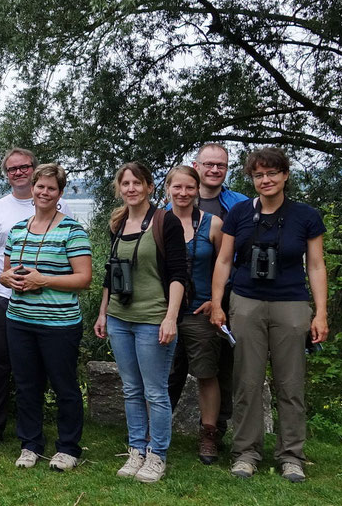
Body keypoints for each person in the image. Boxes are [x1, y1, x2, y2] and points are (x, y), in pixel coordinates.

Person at [210, 146, 329, 483]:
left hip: (291, 303)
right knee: (246, 382)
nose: (265, 180)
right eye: (259, 174)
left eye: (272, 173)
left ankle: (292, 455)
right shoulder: (239, 214)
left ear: (285, 175)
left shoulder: (306, 216)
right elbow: (223, 260)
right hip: (246, 302)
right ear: (252, 178)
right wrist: (218, 303)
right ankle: (246, 453)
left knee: (290, 383)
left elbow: (317, 265)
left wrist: (320, 313)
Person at [93, 161, 188, 483]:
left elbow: (178, 273)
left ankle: (157, 454)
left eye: (137, 183)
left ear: (149, 186)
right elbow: (111, 271)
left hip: (153, 319)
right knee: (131, 389)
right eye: (125, 183)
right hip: (120, 318)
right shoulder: (118, 222)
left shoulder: (166, 221)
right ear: (119, 188)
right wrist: (103, 311)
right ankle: (137, 450)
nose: (131, 188)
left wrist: (171, 318)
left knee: (155, 392)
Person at [0, 147, 68, 451]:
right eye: (12, 169)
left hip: (45, 299)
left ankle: (35, 429)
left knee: (37, 367)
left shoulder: (56, 204)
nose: (19, 173)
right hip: (3, 297)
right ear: (7, 174)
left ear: (35, 170)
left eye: (25, 167)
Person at [0, 164, 91, 471]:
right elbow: (5, 274)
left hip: (59, 324)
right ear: (33, 189)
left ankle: (68, 447)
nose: (44, 192)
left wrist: (44, 280)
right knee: (26, 385)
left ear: (60, 193)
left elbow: (84, 279)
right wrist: (8, 279)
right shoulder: (18, 230)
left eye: (51, 188)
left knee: (64, 386)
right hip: (20, 319)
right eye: (40, 187)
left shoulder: (73, 230)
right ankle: (30, 444)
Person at [168, 143, 247, 429]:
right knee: (173, 369)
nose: (214, 170)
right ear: (196, 166)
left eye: (221, 165)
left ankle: (215, 429)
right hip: (174, 305)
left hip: (223, 300)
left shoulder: (239, 204)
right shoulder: (169, 209)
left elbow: (235, 258)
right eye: (209, 164)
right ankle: (159, 431)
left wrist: (219, 298)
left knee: (218, 368)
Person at [164, 165, 225, 464]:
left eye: (190, 187)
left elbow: (228, 265)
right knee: (165, 374)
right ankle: (155, 431)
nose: (183, 193)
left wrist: (216, 301)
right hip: (164, 312)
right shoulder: (158, 222)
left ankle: (209, 434)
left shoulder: (213, 224)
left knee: (206, 373)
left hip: (200, 311)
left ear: (198, 189)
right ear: (168, 188)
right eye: (178, 187)